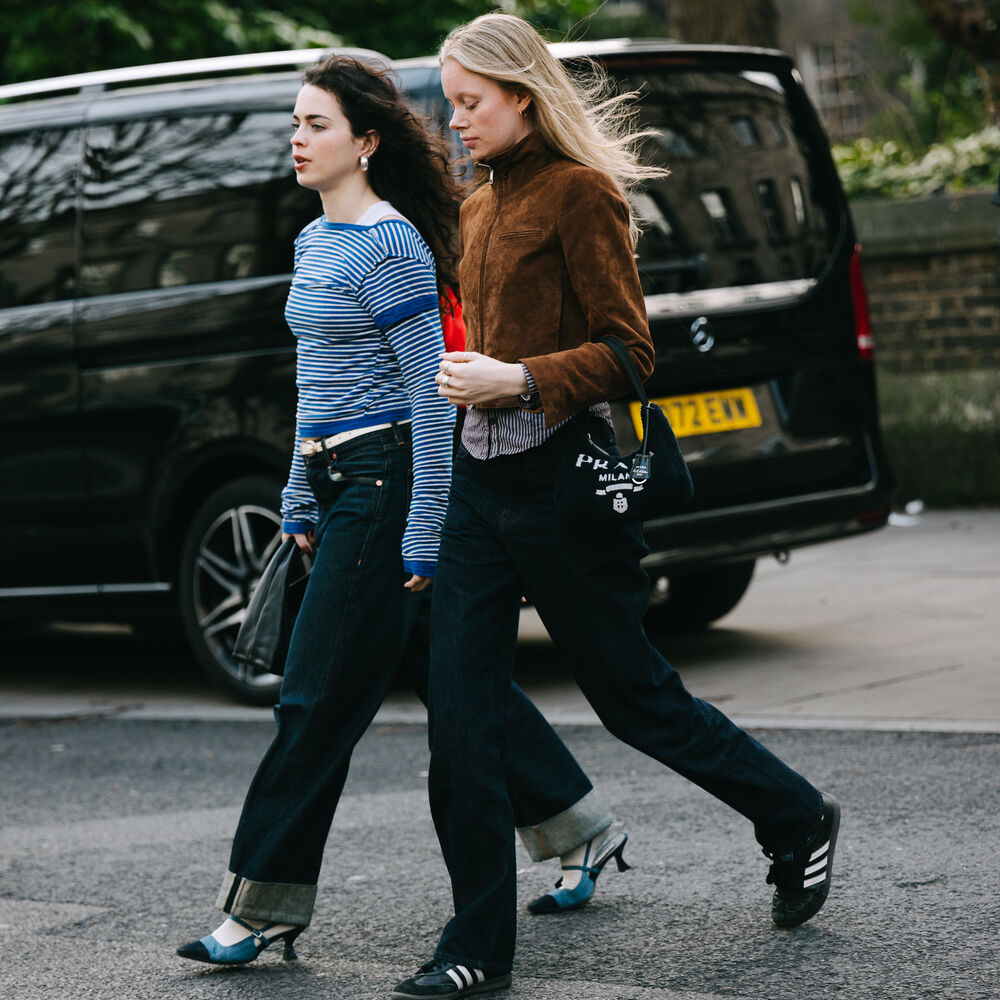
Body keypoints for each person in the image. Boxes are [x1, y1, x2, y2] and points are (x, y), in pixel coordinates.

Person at [391, 14, 841, 999]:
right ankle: (475, 946)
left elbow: (631, 351)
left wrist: (516, 378)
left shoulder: (580, 193)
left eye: (469, 101)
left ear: (520, 95)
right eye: (450, 102)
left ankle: (795, 814)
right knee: (460, 719)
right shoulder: (477, 206)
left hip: (560, 490)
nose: (455, 119)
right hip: (479, 490)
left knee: (635, 700)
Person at [176, 53, 629, 969]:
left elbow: (428, 397)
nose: (297, 140)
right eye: (296, 124)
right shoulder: (315, 240)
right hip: (336, 481)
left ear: (366, 143)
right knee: (446, 672)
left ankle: (262, 904)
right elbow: (317, 383)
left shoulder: (390, 248)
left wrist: (424, 529)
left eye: (317, 125)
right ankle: (578, 827)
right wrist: (297, 489)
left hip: (386, 486)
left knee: (314, 698)